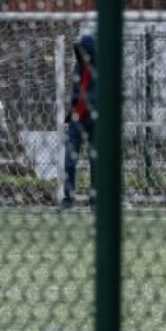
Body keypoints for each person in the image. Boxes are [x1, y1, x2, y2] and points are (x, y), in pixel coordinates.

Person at [60, 35, 96, 211]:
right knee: (69, 160)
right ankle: (68, 199)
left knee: (95, 161)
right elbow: (76, 91)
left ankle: (95, 200)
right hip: (77, 118)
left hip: (95, 119)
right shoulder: (78, 66)